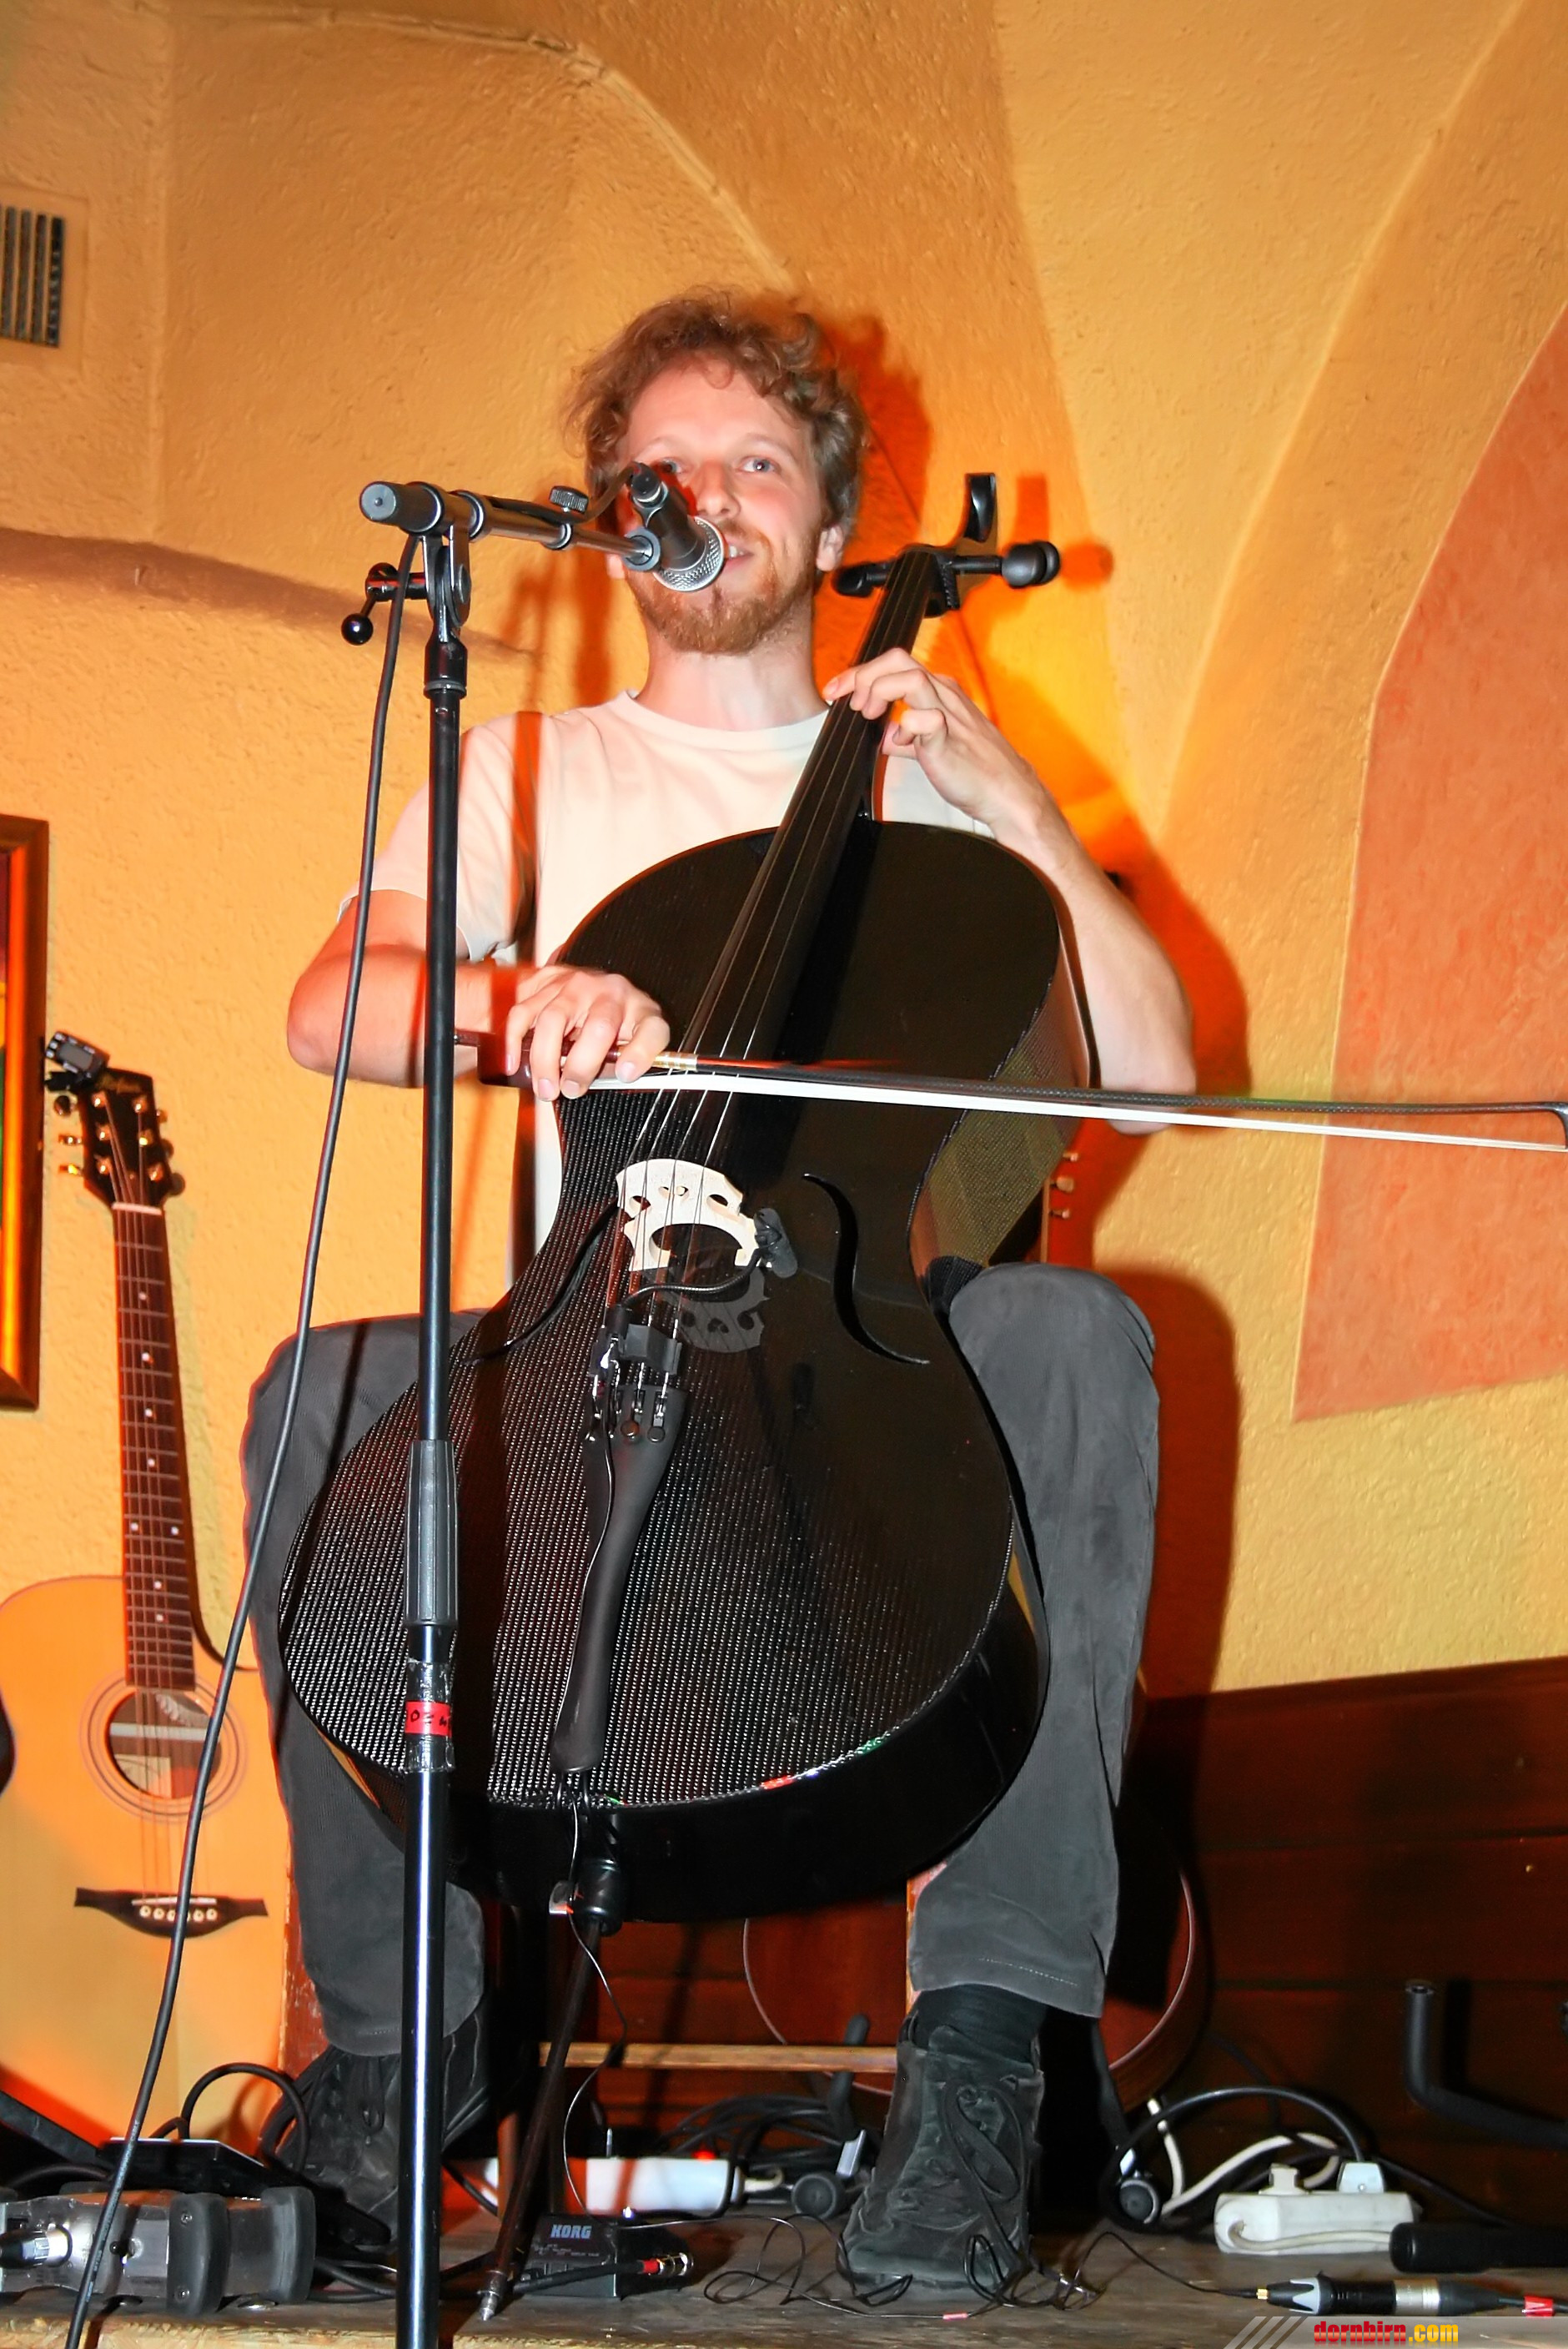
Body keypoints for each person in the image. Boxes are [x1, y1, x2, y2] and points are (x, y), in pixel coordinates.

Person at [256, 289, 1194, 2292]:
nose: (706, 493)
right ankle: (398, 2053)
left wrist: (1020, 805)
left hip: (850, 1380)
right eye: (661, 467)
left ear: (829, 521)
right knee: (317, 1395)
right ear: (615, 516)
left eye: (755, 460)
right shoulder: (523, 770)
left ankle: (981, 2052)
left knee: (1068, 1336)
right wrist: (517, 996)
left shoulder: (928, 787)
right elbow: (333, 1004)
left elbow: (1158, 1070)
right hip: (589, 1350)